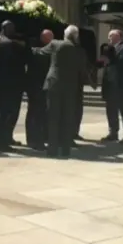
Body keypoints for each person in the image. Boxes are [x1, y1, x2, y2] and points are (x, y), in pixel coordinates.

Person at [33, 25, 88, 157]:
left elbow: (39, 53)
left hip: (54, 84)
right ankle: (65, 149)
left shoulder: (55, 44)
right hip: (70, 87)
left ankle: (52, 150)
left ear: (65, 34)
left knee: (53, 117)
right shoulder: (80, 51)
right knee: (67, 117)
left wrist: (26, 48)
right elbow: (83, 71)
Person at [0, 21, 27, 152]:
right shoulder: (7, 43)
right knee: (3, 113)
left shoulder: (0, 40)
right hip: (7, 84)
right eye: (11, 28)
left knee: (6, 113)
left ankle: (3, 139)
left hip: (3, 83)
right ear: (4, 28)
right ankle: (0, 142)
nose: (13, 30)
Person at [101, 29, 123, 144]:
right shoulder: (108, 49)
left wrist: (109, 57)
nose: (109, 38)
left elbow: (122, 62)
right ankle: (113, 133)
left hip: (120, 85)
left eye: (111, 36)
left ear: (118, 36)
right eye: (109, 36)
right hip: (110, 84)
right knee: (111, 110)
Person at [24, 30, 53, 150]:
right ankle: (34, 140)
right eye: (50, 39)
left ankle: (37, 138)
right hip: (36, 86)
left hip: (40, 86)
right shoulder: (38, 51)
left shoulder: (39, 51)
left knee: (38, 113)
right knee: (35, 113)